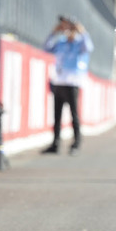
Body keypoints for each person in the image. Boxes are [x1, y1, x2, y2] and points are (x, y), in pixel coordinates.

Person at [43, 15, 93, 155]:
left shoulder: (80, 44)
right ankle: (55, 143)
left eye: (69, 27)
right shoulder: (61, 43)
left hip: (73, 83)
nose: (67, 30)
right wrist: (54, 32)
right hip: (59, 82)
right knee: (57, 116)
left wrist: (82, 31)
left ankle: (76, 143)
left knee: (74, 115)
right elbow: (46, 47)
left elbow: (89, 47)